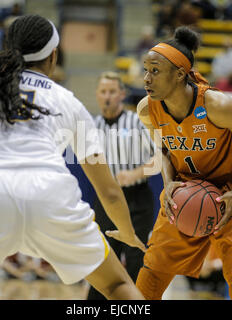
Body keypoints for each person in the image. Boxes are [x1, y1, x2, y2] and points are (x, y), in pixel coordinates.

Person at [0, 14, 146, 300]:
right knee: (118, 286)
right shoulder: (69, 101)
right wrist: (128, 235)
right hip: (51, 198)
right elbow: (109, 192)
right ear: (54, 56)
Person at [131, 26, 232, 300]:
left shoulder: (215, 105)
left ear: (180, 74)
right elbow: (162, 148)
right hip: (184, 193)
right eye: (146, 69)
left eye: (155, 71)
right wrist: (168, 181)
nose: (147, 78)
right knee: (149, 279)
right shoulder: (147, 108)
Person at [87, 71, 160, 300]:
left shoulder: (136, 122)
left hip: (137, 198)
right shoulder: (92, 126)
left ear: (121, 94)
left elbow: (160, 159)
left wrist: (136, 173)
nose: (107, 96)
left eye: (111, 91)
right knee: (104, 259)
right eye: (103, 91)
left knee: (137, 259)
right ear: (97, 95)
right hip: (106, 199)